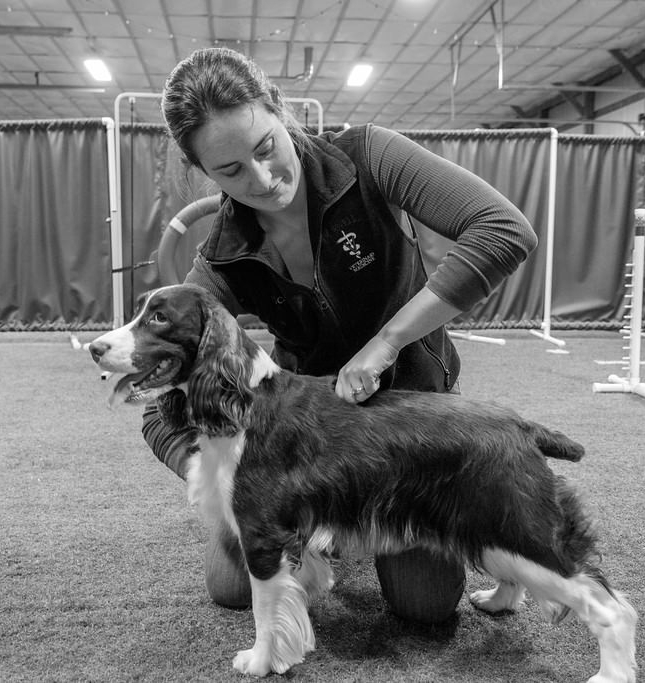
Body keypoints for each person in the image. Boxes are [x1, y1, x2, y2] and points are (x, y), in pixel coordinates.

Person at [143, 46, 537, 624]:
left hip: (410, 422)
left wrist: (388, 342)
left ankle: (354, 528)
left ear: (281, 111)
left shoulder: (371, 155)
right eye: (230, 171)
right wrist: (234, 483)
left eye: (265, 148)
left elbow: (504, 232)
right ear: (203, 172)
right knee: (231, 585)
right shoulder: (220, 258)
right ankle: (321, 524)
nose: (262, 179)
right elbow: (161, 407)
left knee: (423, 608)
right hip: (306, 441)